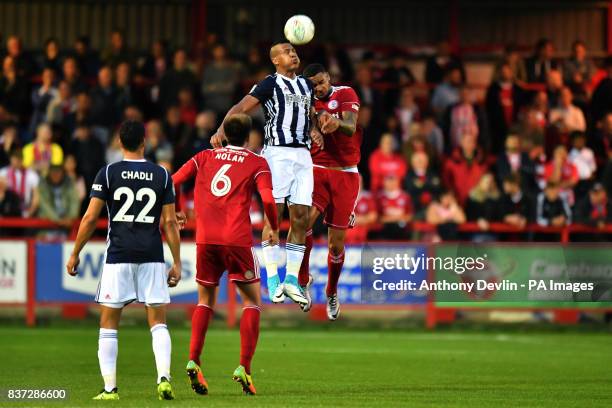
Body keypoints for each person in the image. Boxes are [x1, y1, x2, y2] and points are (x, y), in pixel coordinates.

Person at [65, 121, 182, 401]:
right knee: (158, 322)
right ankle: (164, 378)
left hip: (118, 255)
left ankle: (110, 389)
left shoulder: (107, 173)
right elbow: (169, 221)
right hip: (152, 255)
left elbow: (91, 217)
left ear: (119, 142)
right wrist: (176, 261)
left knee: (108, 323)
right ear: (144, 142)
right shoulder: (162, 175)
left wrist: (75, 252)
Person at [172, 114, 279, 396]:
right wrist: (273, 226)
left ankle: (194, 360)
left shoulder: (204, 157)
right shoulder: (257, 162)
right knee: (252, 301)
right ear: (249, 136)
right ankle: (244, 367)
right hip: (237, 241)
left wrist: (177, 210)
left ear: (224, 133)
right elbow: (267, 199)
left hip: (205, 240)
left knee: (205, 300)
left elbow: (172, 182)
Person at [210, 42, 321, 306]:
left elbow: (311, 114)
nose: (293, 54)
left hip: (303, 155)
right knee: (275, 215)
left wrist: (315, 128)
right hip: (278, 155)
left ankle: (291, 280)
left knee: (302, 218)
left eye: (294, 50)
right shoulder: (270, 84)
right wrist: (221, 129)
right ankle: (272, 279)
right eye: (286, 52)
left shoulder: (306, 85)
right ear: (275, 61)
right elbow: (240, 106)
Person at [297, 63, 361, 320]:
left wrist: (335, 122)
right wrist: (312, 128)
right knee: (302, 222)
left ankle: (331, 291)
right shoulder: (304, 100)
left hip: (346, 173)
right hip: (317, 169)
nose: (319, 88)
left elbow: (351, 126)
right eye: (314, 85)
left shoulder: (346, 94)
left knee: (336, 245)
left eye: (322, 82)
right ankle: (303, 279)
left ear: (329, 78)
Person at [0, 148, 40, 217]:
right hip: (7, 209)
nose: (16, 161)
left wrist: (29, 214)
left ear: (22, 160)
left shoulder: (31, 175)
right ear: (10, 159)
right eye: (14, 159)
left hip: (25, 209)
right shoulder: (3, 173)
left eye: (19, 159)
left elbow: (36, 196)